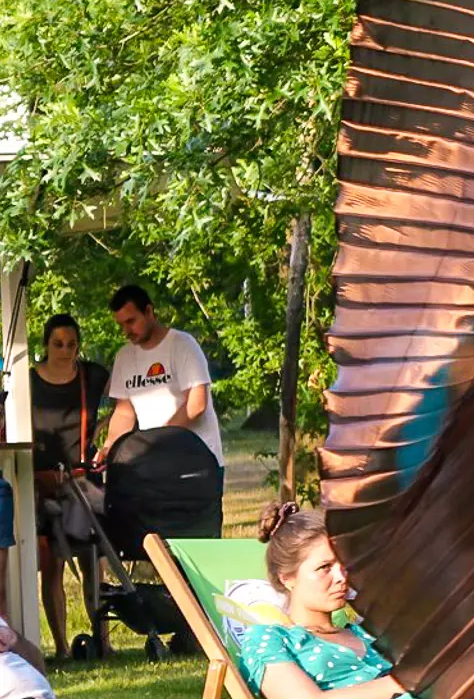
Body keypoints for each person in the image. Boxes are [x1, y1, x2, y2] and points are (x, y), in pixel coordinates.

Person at [238, 503, 410, 698]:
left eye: (344, 564)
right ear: (287, 578)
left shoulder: (366, 632)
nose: (342, 577)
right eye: (325, 567)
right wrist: (403, 683)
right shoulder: (269, 639)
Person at [28, 313, 109, 660]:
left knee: (94, 559)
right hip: (40, 481)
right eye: (58, 344)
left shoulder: (93, 376)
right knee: (52, 563)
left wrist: (106, 434)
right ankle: (61, 646)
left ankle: (104, 642)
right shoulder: (28, 381)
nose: (65, 351)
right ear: (46, 344)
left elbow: (126, 401)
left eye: (72, 344)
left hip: (82, 479)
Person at [103, 285, 224, 472]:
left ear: (149, 311)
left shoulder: (183, 345)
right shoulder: (124, 357)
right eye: (121, 325)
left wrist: (157, 441)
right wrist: (110, 446)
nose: (126, 331)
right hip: (155, 464)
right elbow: (124, 413)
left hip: (197, 462)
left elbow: (196, 405)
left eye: (131, 321)